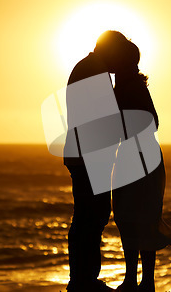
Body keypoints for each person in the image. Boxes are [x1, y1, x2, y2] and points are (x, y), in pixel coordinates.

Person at [94, 31, 171, 292]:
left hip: (139, 156)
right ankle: (140, 280)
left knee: (134, 215)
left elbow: (150, 122)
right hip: (140, 155)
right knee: (135, 216)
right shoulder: (128, 84)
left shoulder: (129, 85)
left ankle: (138, 280)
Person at [63, 50, 114, 292]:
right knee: (90, 217)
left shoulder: (88, 67)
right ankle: (84, 280)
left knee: (89, 216)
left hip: (83, 154)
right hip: (88, 156)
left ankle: (83, 278)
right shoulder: (94, 71)